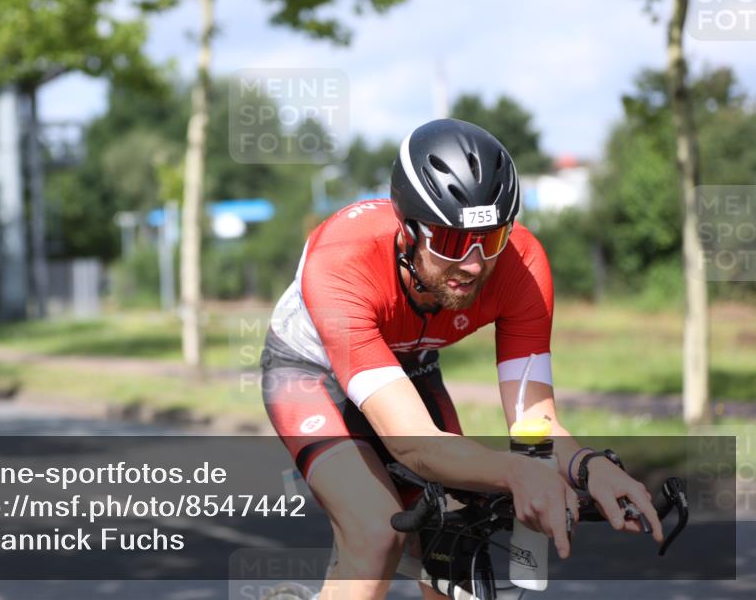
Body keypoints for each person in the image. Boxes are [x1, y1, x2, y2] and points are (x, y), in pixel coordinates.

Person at [261, 118, 663, 600]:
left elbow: (534, 424)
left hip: (412, 364)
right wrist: (515, 474)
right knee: (375, 531)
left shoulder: (522, 266)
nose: (473, 264)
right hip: (310, 373)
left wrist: (588, 466)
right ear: (407, 230)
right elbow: (417, 447)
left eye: (491, 239)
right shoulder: (343, 261)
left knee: (458, 530)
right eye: (451, 242)